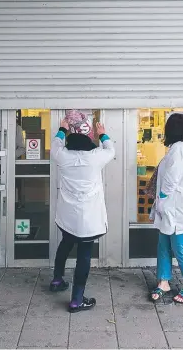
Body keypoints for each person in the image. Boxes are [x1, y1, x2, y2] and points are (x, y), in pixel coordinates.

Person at [49, 119, 115, 313]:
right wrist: (102, 133)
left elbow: (55, 144)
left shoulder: (62, 156)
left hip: (67, 216)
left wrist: (62, 129)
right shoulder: (95, 157)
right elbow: (111, 150)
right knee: (83, 256)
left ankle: (57, 280)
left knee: (66, 243)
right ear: (89, 141)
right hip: (89, 218)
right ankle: (77, 299)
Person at [149, 113, 183, 304]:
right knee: (163, 244)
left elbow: (171, 179)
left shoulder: (180, 149)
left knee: (179, 247)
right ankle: (164, 281)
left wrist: (161, 199)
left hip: (175, 205)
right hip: (173, 205)